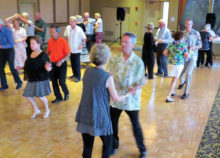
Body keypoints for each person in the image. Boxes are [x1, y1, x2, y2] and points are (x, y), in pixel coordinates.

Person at [75, 44, 134, 158]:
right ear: (107, 58)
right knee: (108, 144)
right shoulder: (107, 77)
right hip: (100, 115)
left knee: (87, 147)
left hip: (85, 112)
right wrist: (128, 93)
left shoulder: (87, 72)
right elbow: (116, 99)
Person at [107, 32, 147, 158]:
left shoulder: (138, 62)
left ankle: (142, 149)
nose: (123, 44)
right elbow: (107, 76)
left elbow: (141, 81)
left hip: (131, 98)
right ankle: (114, 145)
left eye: (126, 42)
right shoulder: (114, 59)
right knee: (112, 122)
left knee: (135, 123)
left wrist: (136, 87)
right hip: (115, 97)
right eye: (122, 41)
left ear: (133, 44)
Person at [23, 36, 51, 119]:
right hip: (32, 78)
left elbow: (49, 68)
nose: (31, 45)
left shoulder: (43, 55)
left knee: (40, 97)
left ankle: (47, 110)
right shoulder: (31, 53)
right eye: (30, 43)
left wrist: (47, 68)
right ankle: (36, 110)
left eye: (33, 43)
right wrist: (21, 67)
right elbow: (28, 65)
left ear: (39, 44)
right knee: (27, 95)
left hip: (40, 78)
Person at [178, 19, 202, 99]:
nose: (187, 26)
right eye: (186, 24)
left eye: (188, 24)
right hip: (184, 57)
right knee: (180, 74)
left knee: (188, 74)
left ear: (192, 24)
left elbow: (200, 45)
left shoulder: (196, 33)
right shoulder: (183, 33)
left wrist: (194, 47)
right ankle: (182, 82)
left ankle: (186, 93)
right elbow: (180, 44)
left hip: (193, 57)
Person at [163, 31, 189, 102]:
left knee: (173, 78)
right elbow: (187, 56)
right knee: (174, 80)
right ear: (181, 37)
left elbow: (164, 52)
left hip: (170, 63)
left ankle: (173, 91)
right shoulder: (183, 45)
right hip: (178, 64)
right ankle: (168, 96)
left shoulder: (171, 43)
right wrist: (190, 51)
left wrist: (171, 56)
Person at [47, 25, 70, 103]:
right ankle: (58, 97)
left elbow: (68, 54)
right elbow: (48, 52)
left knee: (61, 82)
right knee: (54, 82)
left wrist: (62, 61)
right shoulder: (50, 41)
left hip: (62, 64)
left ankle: (66, 93)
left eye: (53, 32)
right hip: (53, 64)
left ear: (58, 32)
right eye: (50, 32)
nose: (51, 34)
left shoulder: (63, 41)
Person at [0, 18, 23, 91]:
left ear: (1, 25)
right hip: (1, 51)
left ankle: (19, 82)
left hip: (9, 51)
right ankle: (4, 85)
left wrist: (2, 46)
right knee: (0, 68)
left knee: (12, 67)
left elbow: (11, 44)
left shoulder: (7, 31)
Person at [64, 16, 86, 82]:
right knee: (72, 63)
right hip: (70, 49)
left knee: (76, 64)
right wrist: (66, 45)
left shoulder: (79, 29)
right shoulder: (68, 28)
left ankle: (78, 77)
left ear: (75, 22)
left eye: (72, 21)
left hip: (77, 49)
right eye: (70, 21)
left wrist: (82, 45)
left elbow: (84, 38)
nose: (70, 23)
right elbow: (66, 36)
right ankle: (74, 74)